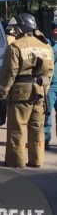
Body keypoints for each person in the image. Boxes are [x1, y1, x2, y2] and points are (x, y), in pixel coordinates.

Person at [0, 14, 54, 168]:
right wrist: (44, 89)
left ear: (23, 27)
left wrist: (1, 94)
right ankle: (36, 160)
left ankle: (16, 161)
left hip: (20, 93)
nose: (15, 31)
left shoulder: (16, 46)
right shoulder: (46, 46)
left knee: (17, 128)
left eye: (16, 28)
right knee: (37, 128)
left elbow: (9, 73)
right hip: (40, 92)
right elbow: (49, 72)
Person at [46, 20, 57, 150]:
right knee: (47, 113)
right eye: (55, 28)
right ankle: (44, 140)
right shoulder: (47, 44)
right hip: (51, 84)